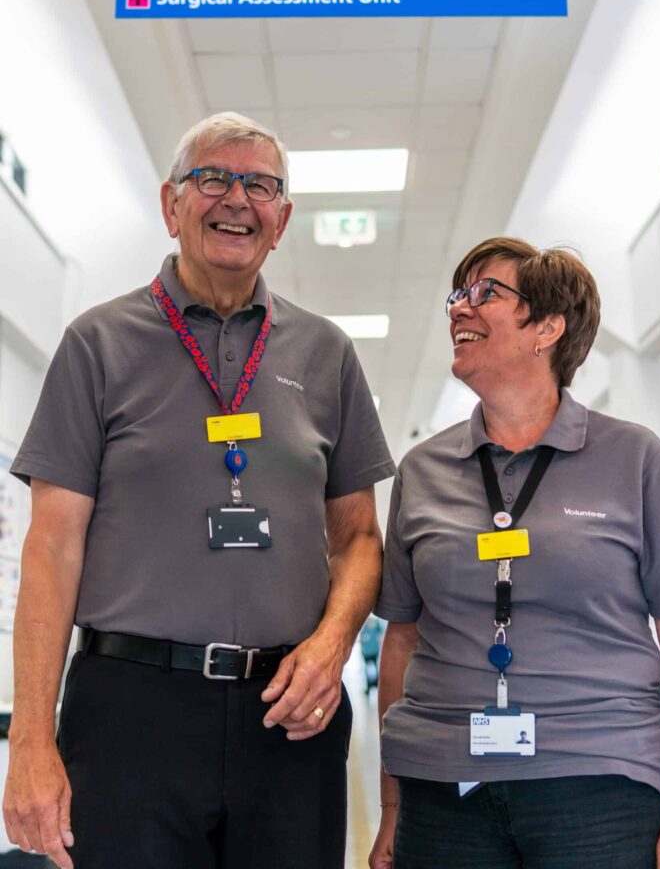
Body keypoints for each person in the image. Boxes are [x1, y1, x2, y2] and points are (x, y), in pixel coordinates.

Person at [2, 112, 395, 869]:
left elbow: (357, 540)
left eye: (261, 185)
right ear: (170, 204)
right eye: (213, 177)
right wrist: (31, 738)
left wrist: (331, 645)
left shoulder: (326, 354)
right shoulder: (98, 344)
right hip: (130, 708)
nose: (236, 199)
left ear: (282, 220)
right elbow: (51, 546)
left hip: (288, 710)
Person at [369, 237, 660, 869]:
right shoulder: (423, 469)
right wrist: (394, 812)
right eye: (458, 295)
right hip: (444, 790)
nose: (460, 309)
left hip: (600, 783)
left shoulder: (634, 458)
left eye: (487, 293)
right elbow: (402, 640)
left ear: (548, 327)